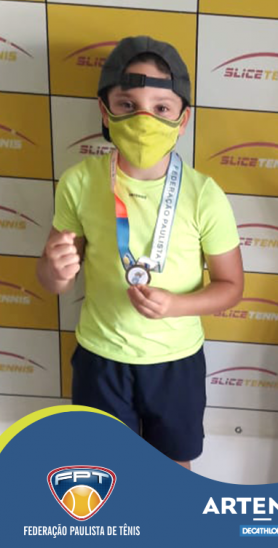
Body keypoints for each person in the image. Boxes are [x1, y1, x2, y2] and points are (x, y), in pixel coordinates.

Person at [37, 36, 244, 470]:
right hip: (101, 358)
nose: (144, 119)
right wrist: (54, 270)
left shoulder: (204, 194)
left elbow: (231, 287)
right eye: (128, 105)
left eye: (161, 107)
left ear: (182, 119)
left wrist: (177, 305)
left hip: (175, 362)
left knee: (174, 474)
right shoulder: (79, 182)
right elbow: (55, 280)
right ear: (105, 111)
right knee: (106, 475)